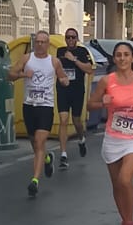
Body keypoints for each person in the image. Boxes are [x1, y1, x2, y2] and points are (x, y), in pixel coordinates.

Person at [88, 39, 133, 225]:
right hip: (113, 138)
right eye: (119, 55)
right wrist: (102, 103)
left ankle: (130, 221)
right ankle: (125, 222)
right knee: (117, 185)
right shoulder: (107, 82)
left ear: (132, 58)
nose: (122, 58)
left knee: (125, 180)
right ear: (114, 59)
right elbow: (90, 105)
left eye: (126, 55)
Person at [9, 30, 67, 196]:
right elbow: (10, 74)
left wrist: (64, 81)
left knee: (40, 142)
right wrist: (22, 74)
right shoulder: (27, 58)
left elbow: (63, 77)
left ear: (48, 44)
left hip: (45, 107)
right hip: (29, 105)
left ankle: (35, 180)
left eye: (43, 42)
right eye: (38, 42)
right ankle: (47, 159)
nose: (40, 45)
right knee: (34, 142)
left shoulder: (54, 62)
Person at [53, 27, 94, 165]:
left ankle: (81, 139)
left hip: (77, 90)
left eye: (73, 37)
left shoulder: (82, 52)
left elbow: (89, 70)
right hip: (63, 90)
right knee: (63, 120)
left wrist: (74, 59)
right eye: (68, 37)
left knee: (76, 120)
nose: (70, 40)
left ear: (77, 39)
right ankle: (63, 154)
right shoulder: (60, 51)